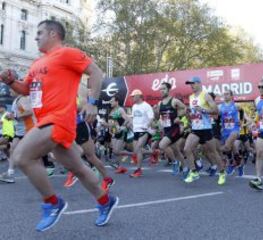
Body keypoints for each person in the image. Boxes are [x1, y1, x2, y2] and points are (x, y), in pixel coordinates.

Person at [0, 20, 118, 231]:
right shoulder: (36, 64)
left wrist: (92, 103)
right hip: (45, 120)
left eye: (39, 32)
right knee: (78, 168)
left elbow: (97, 72)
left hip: (59, 118)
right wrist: (10, 81)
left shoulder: (67, 53)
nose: (35, 37)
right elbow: (25, 89)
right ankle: (105, 201)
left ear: (53, 34)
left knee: (21, 156)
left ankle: (53, 203)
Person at [183, 76, 226, 185]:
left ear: (199, 83)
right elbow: (193, 115)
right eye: (190, 84)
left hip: (206, 128)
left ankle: (222, 173)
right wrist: (188, 112)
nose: (191, 85)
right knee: (187, 149)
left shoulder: (206, 95)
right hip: (195, 128)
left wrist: (202, 110)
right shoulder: (191, 97)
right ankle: (193, 172)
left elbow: (216, 111)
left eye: (193, 83)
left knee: (213, 152)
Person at [156, 82, 187, 175]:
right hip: (166, 129)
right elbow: (159, 117)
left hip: (174, 129)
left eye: (164, 89)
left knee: (162, 145)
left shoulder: (174, 101)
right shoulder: (159, 103)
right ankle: (185, 169)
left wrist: (179, 117)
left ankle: (175, 162)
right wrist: (157, 116)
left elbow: (185, 108)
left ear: (168, 90)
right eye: (160, 89)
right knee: (176, 151)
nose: (162, 91)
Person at [129, 89, 154, 177]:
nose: (132, 98)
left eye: (133, 96)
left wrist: (147, 126)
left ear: (139, 96)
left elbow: (151, 118)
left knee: (138, 148)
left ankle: (138, 170)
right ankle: (152, 153)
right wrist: (130, 125)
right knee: (136, 150)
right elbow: (133, 117)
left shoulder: (146, 106)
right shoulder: (134, 106)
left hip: (144, 130)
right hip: (136, 130)